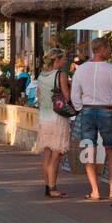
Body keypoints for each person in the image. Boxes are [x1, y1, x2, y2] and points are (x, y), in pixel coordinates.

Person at [70, 36, 112, 201]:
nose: (110, 51)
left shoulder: (80, 69)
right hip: (106, 110)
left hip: (87, 111)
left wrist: (81, 108)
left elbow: (74, 95)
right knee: (111, 150)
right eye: (108, 48)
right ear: (101, 49)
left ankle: (94, 191)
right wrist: (111, 98)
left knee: (88, 150)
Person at [35, 48, 73, 198]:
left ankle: (47, 186)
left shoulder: (41, 76)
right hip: (57, 118)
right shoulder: (60, 75)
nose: (65, 62)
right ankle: (52, 188)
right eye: (63, 59)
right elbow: (67, 97)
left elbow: (39, 97)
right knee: (56, 155)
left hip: (44, 117)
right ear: (57, 60)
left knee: (47, 154)